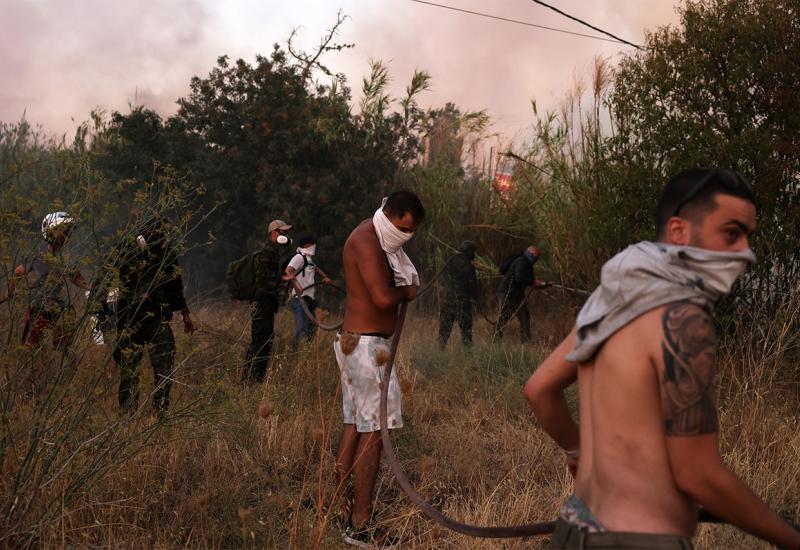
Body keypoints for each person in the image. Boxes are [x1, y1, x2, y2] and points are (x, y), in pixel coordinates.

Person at [524, 168, 800, 548]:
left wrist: (578, 449)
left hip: (575, 530)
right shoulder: (684, 319)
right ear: (678, 232)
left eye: (748, 237)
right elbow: (697, 474)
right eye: (732, 234)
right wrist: (790, 537)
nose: (746, 253)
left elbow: (539, 390)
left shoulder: (613, 300)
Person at [334, 191, 424, 547]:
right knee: (375, 429)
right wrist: (408, 291)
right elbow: (383, 298)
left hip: (362, 343)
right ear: (388, 215)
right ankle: (359, 522)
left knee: (356, 425)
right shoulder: (366, 241)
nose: (406, 236)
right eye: (403, 227)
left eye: (412, 232)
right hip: (366, 347)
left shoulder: (381, 239)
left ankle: (337, 507)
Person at [110, 214, 194, 415]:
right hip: (131, 318)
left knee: (165, 364)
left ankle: (160, 412)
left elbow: (175, 285)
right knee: (130, 369)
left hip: (157, 316)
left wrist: (185, 313)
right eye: (159, 232)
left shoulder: (166, 254)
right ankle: (127, 414)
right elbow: (107, 275)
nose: (162, 236)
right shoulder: (127, 250)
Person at [3, 212, 90, 349]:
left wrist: (91, 288)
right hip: (39, 308)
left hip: (60, 309)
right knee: (30, 348)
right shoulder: (38, 255)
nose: (66, 235)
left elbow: (77, 279)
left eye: (67, 231)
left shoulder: (66, 259)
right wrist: (9, 291)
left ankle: (62, 368)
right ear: (50, 232)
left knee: (64, 348)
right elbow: (18, 273)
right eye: (62, 231)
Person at [243, 219, 293, 384]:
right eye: (282, 232)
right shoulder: (266, 252)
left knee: (265, 342)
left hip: (267, 304)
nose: (285, 236)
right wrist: (282, 278)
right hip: (261, 303)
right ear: (274, 233)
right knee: (259, 343)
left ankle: (256, 380)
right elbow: (263, 279)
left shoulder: (275, 252)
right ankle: (249, 381)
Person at [284, 235, 332, 350]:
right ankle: (293, 351)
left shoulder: (309, 259)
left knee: (313, 327)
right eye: (312, 245)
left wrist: (325, 277)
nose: (314, 247)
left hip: (310, 298)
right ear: (306, 245)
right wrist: (297, 284)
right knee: (301, 328)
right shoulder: (299, 257)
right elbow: (288, 270)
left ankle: (306, 349)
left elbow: (316, 268)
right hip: (299, 298)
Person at [495, 245, 549, 342]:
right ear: (529, 253)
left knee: (524, 316)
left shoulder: (527, 264)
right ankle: (495, 342)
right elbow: (519, 278)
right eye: (534, 256)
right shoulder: (522, 261)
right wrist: (533, 282)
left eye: (536, 258)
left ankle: (526, 344)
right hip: (508, 293)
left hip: (516, 294)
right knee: (504, 317)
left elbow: (530, 281)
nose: (535, 259)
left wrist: (545, 284)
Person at [438, 240, 478, 347]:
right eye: (473, 251)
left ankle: (439, 351)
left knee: (444, 332)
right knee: (466, 333)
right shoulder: (470, 267)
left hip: (447, 302)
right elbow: (472, 287)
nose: (474, 254)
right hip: (462, 303)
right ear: (468, 251)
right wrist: (477, 299)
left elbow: (444, 278)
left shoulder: (450, 261)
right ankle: (468, 355)